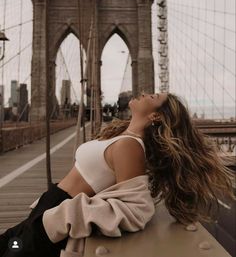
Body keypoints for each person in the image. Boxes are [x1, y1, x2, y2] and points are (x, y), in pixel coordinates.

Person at [0, 92, 235, 256]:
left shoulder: (130, 147)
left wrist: (69, 215)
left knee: (13, 250)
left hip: (56, 218)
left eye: (153, 97)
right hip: (48, 206)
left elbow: (135, 208)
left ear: (156, 116)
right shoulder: (121, 136)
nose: (144, 94)